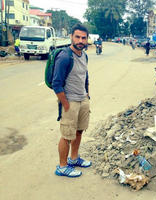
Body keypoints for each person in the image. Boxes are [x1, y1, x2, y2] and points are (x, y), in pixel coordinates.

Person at [52, 23, 91, 178]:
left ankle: (74, 159)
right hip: (70, 102)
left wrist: (87, 94)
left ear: (87, 39)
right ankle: (62, 166)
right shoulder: (64, 56)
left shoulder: (84, 55)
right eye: (77, 37)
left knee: (79, 131)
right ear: (71, 37)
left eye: (83, 37)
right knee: (67, 136)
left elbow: (84, 75)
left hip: (83, 99)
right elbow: (56, 83)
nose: (80, 40)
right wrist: (66, 104)